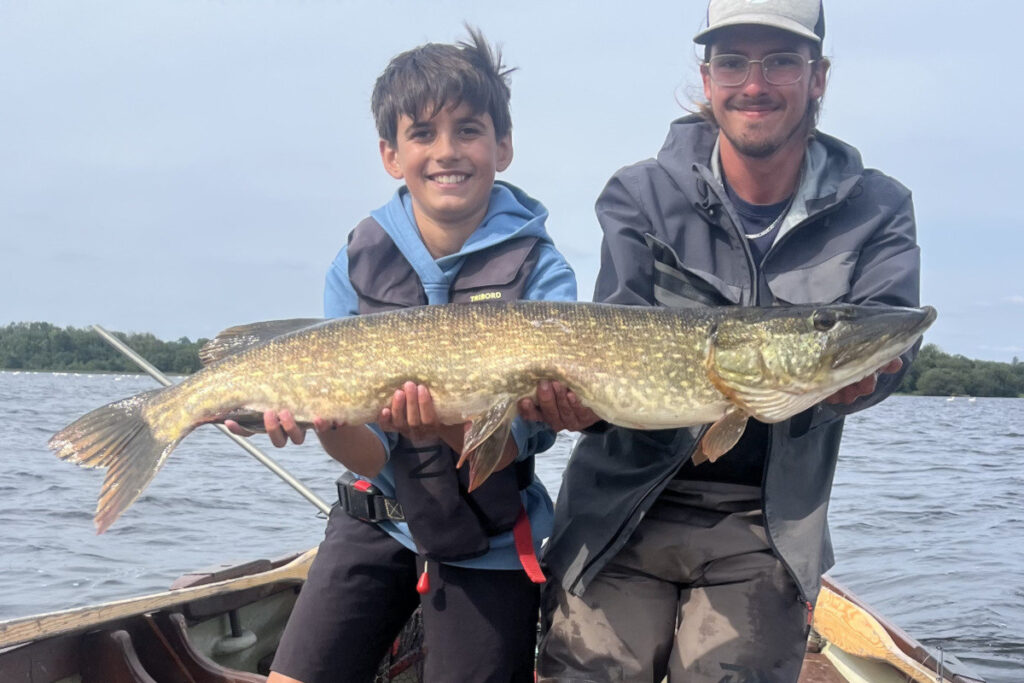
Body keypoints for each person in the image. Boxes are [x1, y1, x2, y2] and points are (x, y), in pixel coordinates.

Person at [524, 1, 921, 681]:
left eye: (781, 61)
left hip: (765, 526)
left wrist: (872, 375)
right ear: (708, 79)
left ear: (818, 77)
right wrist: (573, 402)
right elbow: (612, 349)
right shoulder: (640, 195)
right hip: (622, 513)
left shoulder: (878, 208)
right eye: (733, 60)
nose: (755, 83)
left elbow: (890, 334)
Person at [228, 29, 577, 683]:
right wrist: (330, 420)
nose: (447, 151)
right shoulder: (356, 261)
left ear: (503, 145)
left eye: (468, 130)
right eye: (423, 133)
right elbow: (369, 454)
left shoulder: (544, 275)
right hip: (375, 522)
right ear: (391, 154)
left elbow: (516, 441)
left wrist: (443, 422)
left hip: (489, 537)